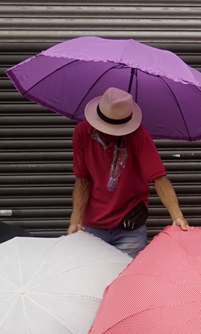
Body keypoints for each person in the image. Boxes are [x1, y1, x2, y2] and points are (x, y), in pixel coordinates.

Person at [67, 86, 188, 257]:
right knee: (93, 281)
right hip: (92, 226)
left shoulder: (138, 135)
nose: (108, 133)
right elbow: (82, 180)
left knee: (126, 280)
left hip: (129, 228)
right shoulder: (81, 133)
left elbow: (159, 178)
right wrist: (75, 220)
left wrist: (177, 216)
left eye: (114, 129)